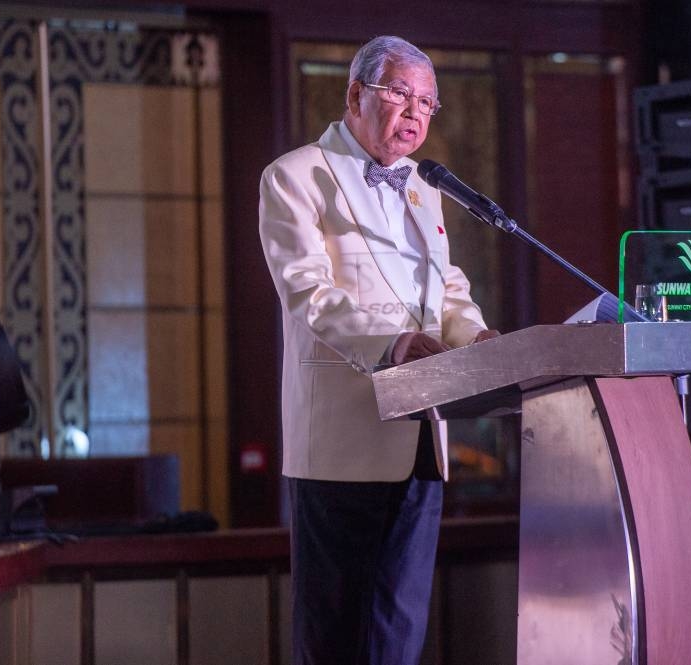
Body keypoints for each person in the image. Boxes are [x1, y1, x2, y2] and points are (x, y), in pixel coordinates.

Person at [259, 35, 498, 665]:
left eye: (428, 102)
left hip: (422, 438)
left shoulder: (424, 186)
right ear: (355, 95)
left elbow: (445, 288)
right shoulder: (295, 176)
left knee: (398, 635)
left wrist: (477, 338)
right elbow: (307, 292)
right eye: (401, 93)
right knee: (336, 640)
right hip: (342, 445)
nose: (416, 112)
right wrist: (392, 343)